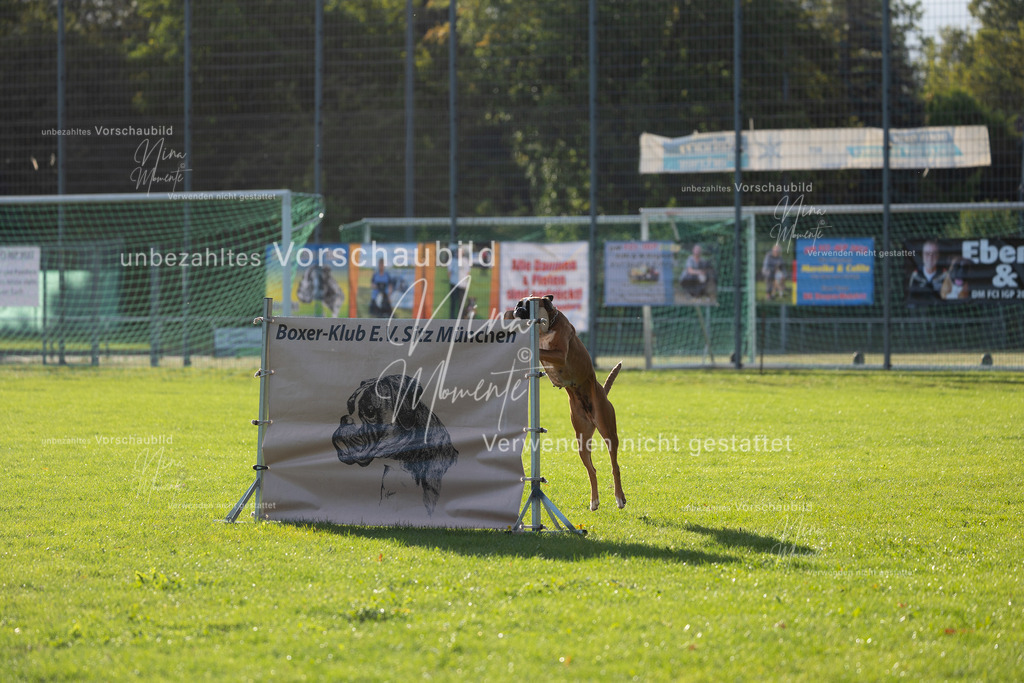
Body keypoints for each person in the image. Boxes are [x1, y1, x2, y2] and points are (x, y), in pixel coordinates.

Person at [448, 243, 472, 318]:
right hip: (453, 284)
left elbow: (468, 273)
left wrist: (466, 282)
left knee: (461, 303)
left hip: (462, 285)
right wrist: (452, 280)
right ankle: (452, 317)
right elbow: (449, 272)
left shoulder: (465, 261)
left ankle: (460, 318)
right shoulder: (452, 261)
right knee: (453, 302)